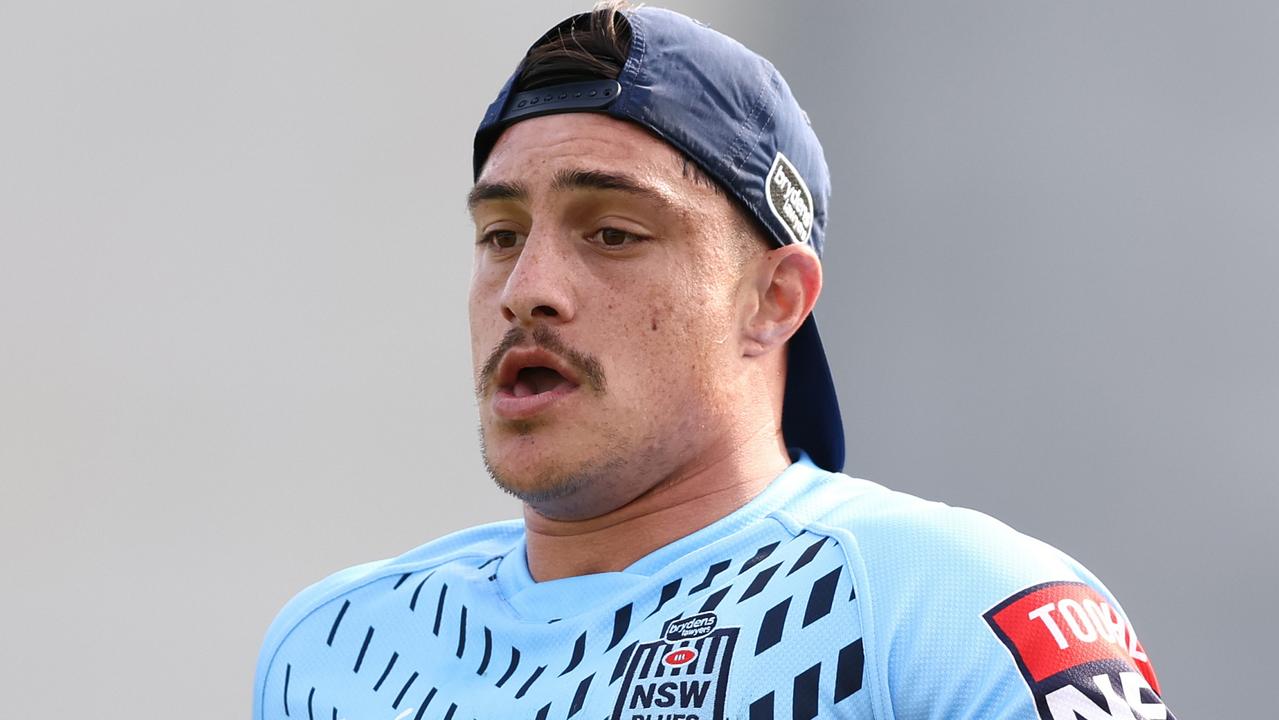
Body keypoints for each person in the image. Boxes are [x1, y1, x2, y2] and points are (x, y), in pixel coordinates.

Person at [254, 4, 1175, 719]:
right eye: (499, 235)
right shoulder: (333, 648)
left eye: (611, 233)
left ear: (774, 299)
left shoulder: (948, 611)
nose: (526, 288)